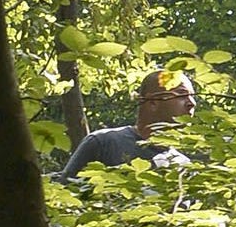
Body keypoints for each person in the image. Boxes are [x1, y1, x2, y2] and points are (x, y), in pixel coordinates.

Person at [59, 67, 196, 180]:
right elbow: (65, 196)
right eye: (181, 95)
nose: (192, 103)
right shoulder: (103, 143)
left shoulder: (183, 166)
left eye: (192, 96)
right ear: (153, 102)